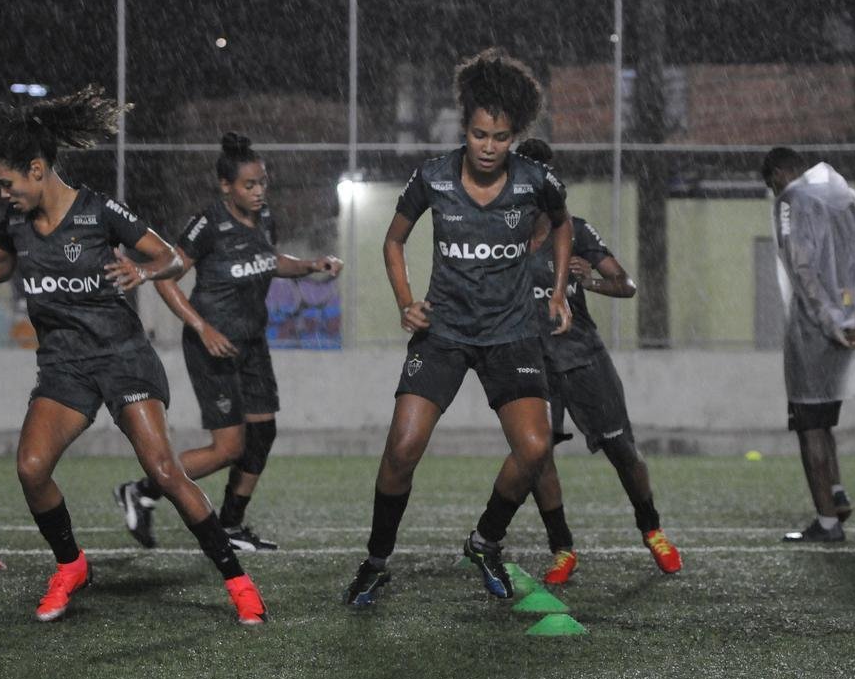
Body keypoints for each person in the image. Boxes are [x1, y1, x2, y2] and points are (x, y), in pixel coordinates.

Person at [0, 86, 267, 624]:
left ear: (36, 170)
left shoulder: (99, 211)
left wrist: (143, 270)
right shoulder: (12, 222)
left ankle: (237, 581)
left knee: (164, 470)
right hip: (64, 366)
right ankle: (71, 564)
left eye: (6, 183)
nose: (2, 194)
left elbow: (169, 257)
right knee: (31, 469)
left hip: (123, 357)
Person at [343, 48, 573, 606]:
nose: (489, 147)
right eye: (479, 135)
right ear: (464, 127)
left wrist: (559, 291)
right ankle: (376, 562)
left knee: (535, 449)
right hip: (443, 333)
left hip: (511, 333)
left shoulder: (536, 180)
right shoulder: (434, 177)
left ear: (515, 135)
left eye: (501, 137)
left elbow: (563, 226)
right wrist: (405, 302)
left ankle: (485, 541)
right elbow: (393, 240)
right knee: (403, 448)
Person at [114, 133, 343, 552]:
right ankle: (141, 490)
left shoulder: (265, 217)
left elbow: (269, 261)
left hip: (252, 343)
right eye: (249, 185)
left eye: (262, 183)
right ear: (226, 186)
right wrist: (203, 328)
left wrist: (312, 264)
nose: (258, 192)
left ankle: (232, 525)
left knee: (262, 434)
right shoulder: (207, 224)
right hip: (212, 347)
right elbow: (166, 278)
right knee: (228, 448)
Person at [514, 137, 682, 584]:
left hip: (584, 359)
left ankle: (652, 529)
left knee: (622, 451)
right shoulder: (504, 237)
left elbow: (626, 284)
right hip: (532, 363)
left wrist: (590, 281)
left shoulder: (575, 231)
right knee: (537, 456)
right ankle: (562, 548)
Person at [761, 147, 855, 542]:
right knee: (824, 419)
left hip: (815, 331)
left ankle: (827, 523)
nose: (774, 191)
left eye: (772, 184)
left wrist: (831, 321)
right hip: (849, 327)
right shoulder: (843, 198)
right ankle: (837, 493)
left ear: (779, 174)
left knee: (809, 425)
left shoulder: (791, 201)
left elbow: (801, 268)